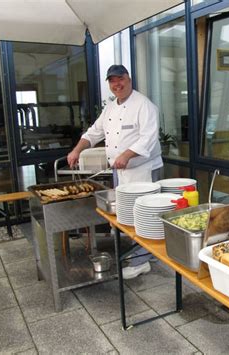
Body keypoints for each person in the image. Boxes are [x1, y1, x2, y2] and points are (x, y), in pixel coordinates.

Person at [67, 64, 162, 279]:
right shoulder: (111, 107)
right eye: (112, 81)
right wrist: (76, 151)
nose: (116, 84)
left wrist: (127, 155)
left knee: (144, 216)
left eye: (120, 79)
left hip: (142, 171)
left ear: (129, 79)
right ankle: (147, 252)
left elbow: (148, 138)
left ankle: (141, 262)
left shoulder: (144, 105)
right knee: (128, 215)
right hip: (121, 172)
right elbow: (94, 132)